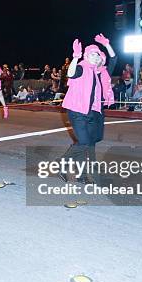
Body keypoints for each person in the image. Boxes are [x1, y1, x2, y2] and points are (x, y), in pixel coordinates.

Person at [60, 33, 116, 184]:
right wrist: (76, 57)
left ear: (101, 58)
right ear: (86, 56)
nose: (95, 57)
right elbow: (70, 74)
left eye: (97, 55)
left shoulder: (101, 73)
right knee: (84, 142)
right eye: (92, 54)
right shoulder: (82, 68)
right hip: (77, 110)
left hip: (93, 112)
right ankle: (62, 163)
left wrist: (106, 44)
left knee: (89, 144)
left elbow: (114, 59)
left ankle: (82, 175)